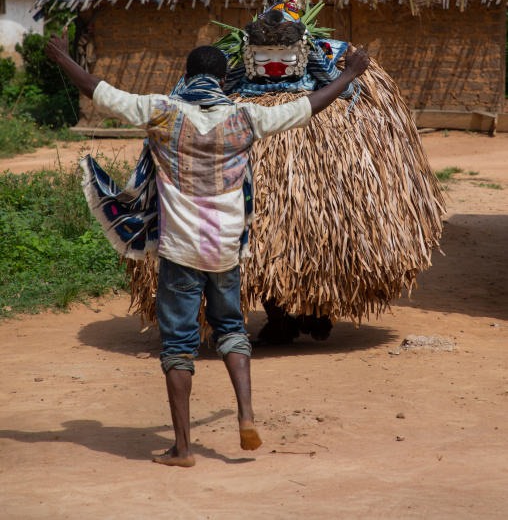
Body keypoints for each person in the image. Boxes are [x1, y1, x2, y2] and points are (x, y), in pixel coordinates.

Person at [46, 29, 370, 467]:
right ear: (223, 78)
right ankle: (246, 415)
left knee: (179, 346)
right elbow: (308, 106)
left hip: (180, 251)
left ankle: (182, 449)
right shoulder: (247, 117)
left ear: (188, 75)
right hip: (225, 250)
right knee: (232, 330)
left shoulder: (159, 111)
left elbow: (97, 91)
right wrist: (349, 72)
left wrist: (62, 56)